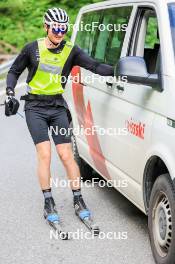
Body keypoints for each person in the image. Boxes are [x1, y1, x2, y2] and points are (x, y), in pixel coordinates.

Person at [6, 7, 114, 225]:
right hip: (35, 107)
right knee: (44, 154)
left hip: (57, 107)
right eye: (56, 28)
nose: (59, 32)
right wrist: (9, 93)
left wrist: (119, 70)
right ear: (46, 27)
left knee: (66, 155)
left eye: (63, 28)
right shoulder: (32, 49)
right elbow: (14, 71)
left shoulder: (71, 50)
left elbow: (94, 65)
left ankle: (78, 199)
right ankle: (48, 201)